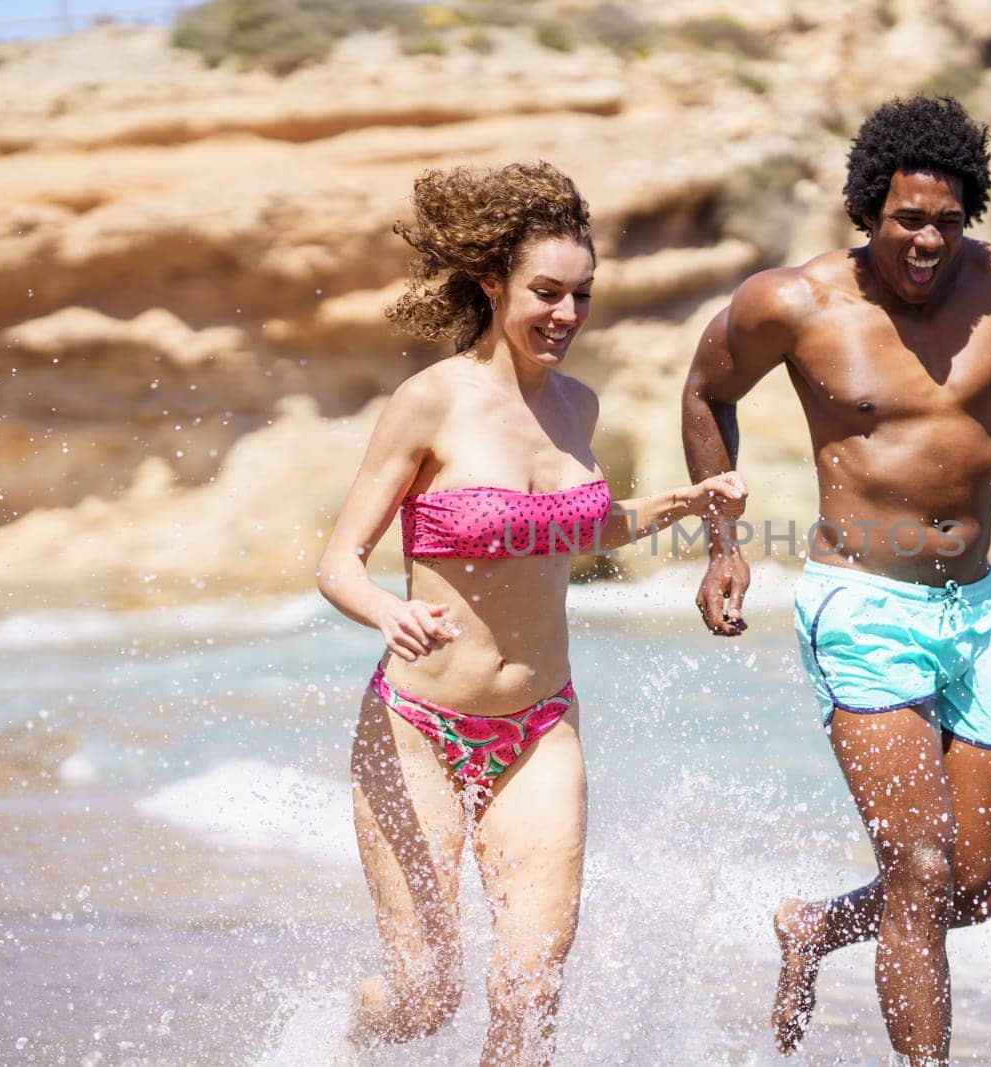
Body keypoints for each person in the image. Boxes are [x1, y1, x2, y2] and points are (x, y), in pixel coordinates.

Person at [681, 96, 991, 1065]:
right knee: (917, 864)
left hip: (974, 613)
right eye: (908, 218)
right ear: (870, 209)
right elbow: (707, 393)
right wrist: (722, 542)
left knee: (972, 888)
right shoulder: (796, 301)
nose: (928, 240)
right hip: (861, 604)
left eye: (948, 221)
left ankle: (813, 925)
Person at [317, 161, 745, 1065]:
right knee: (427, 995)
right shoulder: (431, 399)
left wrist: (682, 503)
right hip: (418, 729)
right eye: (546, 292)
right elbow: (337, 560)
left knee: (532, 988)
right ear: (492, 285)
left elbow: (571, 533)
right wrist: (385, 613)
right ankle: (339, 1043)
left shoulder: (577, 406)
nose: (567, 314)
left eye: (582, 295)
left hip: (543, 727)